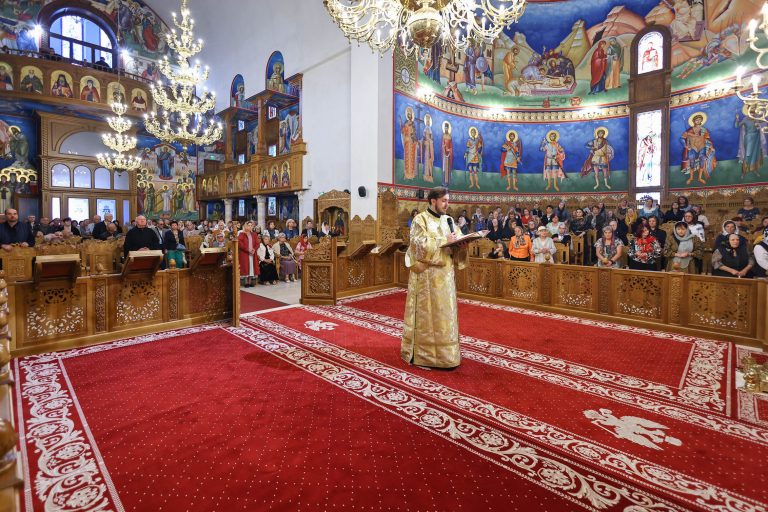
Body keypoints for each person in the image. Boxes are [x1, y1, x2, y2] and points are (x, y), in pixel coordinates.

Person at [401, 186, 468, 369]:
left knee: (445, 315)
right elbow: (417, 246)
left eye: (448, 201)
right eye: (444, 201)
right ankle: (424, 356)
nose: (447, 204)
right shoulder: (420, 220)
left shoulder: (449, 220)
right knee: (429, 316)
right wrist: (445, 241)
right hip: (427, 279)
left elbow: (457, 241)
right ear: (433, 201)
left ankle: (447, 355)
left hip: (446, 277)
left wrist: (462, 245)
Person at [238, 221, 259, 287]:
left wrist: (254, 249)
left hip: (252, 253)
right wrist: (247, 250)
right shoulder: (242, 234)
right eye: (248, 225)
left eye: (251, 225)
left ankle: (250, 281)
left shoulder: (254, 234)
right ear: (245, 226)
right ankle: (246, 282)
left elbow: (257, 244)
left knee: (251, 267)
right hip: (245, 253)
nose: (250, 227)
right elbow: (240, 244)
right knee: (245, 267)